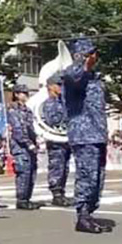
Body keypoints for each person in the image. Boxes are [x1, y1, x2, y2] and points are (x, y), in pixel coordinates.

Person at [62, 38, 111, 234]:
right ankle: (82, 215)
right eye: (91, 53)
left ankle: (89, 213)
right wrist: (81, 62)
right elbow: (74, 77)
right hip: (83, 135)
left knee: (98, 177)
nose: (94, 57)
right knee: (86, 176)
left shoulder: (95, 77)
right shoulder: (72, 74)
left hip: (97, 134)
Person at [41, 73, 73, 207]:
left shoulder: (63, 102)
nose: (61, 87)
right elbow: (53, 121)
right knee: (57, 167)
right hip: (55, 141)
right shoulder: (49, 104)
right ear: (50, 86)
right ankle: (56, 194)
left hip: (65, 139)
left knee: (65, 167)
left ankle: (62, 192)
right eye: (58, 85)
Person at [7, 84, 41, 210]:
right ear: (16, 94)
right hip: (20, 147)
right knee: (24, 172)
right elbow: (18, 130)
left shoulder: (27, 110)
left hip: (30, 145)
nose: (26, 95)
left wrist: (36, 141)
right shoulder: (13, 110)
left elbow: (31, 128)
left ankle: (27, 198)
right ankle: (21, 199)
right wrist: (29, 144)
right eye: (23, 93)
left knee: (31, 172)